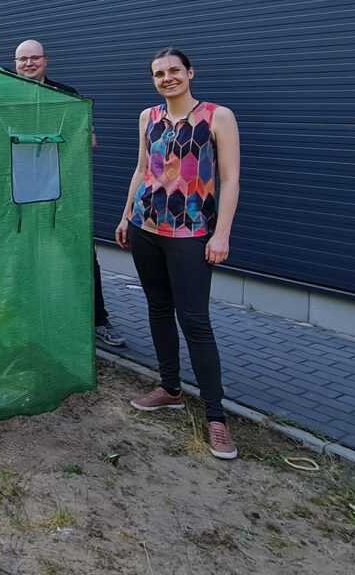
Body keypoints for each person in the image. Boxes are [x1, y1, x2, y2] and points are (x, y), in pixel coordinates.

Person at [116, 47, 241, 460]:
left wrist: (220, 235)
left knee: (196, 322)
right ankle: (170, 389)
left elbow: (229, 178)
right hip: (145, 228)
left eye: (174, 71)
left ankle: (216, 418)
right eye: (158, 73)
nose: (167, 78)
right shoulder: (147, 118)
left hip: (190, 234)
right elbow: (141, 169)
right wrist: (125, 214)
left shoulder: (216, 116)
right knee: (157, 309)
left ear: (190, 72)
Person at [13, 39, 125, 349]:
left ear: (45, 61)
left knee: (81, 255)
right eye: (23, 59)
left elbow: (89, 142)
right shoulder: (4, 93)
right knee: (25, 253)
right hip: (17, 192)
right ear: (15, 62)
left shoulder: (68, 96)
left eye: (35, 58)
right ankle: (33, 315)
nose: (29, 64)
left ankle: (98, 319)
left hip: (62, 191)